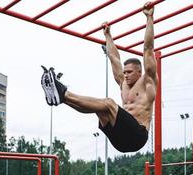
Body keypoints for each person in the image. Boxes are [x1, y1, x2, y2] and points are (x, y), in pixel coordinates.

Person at [41, 2, 158, 153]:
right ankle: (61, 99)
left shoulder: (148, 82)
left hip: (137, 137)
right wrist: (108, 35)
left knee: (108, 103)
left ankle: (63, 93)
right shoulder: (123, 83)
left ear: (139, 72)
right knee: (100, 109)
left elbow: (148, 49)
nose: (125, 74)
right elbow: (114, 58)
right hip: (121, 141)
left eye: (129, 72)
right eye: (125, 71)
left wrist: (149, 18)